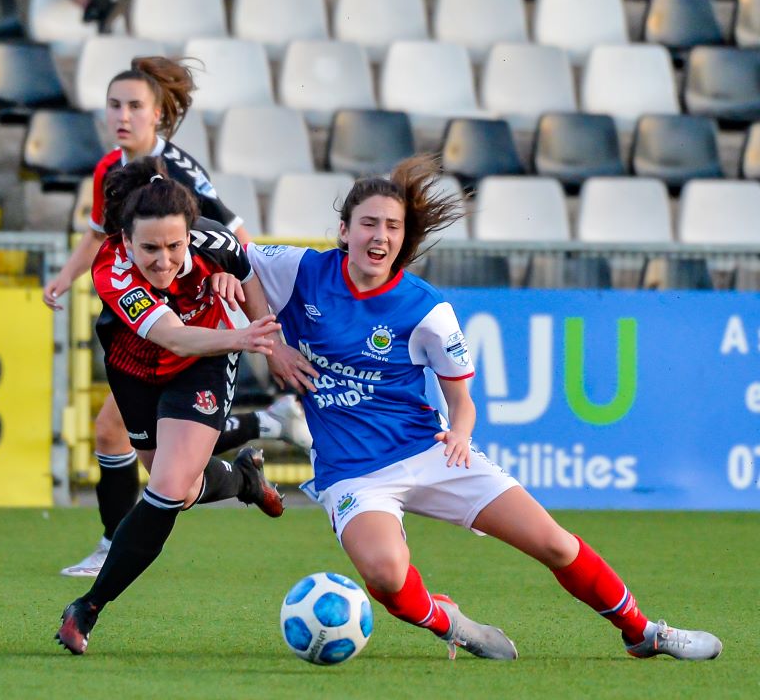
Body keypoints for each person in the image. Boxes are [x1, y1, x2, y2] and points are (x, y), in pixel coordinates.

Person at [245, 155, 723, 661]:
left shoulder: (426, 309)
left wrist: (458, 433)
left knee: (556, 545)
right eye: (368, 224)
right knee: (387, 577)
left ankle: (642, 632)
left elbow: (462, 402)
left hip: (431, 451)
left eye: (392, 226)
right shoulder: (301, 269)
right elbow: (238, 257)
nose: (379, 236)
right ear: (343, 231)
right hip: (353, 473)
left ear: (403, 238)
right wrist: (271, 343)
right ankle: (447, 620)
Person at [44, 55, 310, 578]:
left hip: (204, 314)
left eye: (135, 106)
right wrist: (65, 275)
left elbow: (230, 239)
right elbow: (101, 234)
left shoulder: (181, 172)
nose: (123, 116)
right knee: (150, 458)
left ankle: (111, 543)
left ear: (159, 115)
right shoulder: (108, 169)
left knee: (117, 435)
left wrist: (232, 289)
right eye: (114, 104)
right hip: (150, 325)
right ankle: (262, 435)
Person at [55, 157, 285, 655]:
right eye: (150, 249)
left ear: (190, 234)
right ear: (126, 241)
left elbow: (246, 274)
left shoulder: (213, 240)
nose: (163, 260)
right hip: (137, 371)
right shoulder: (111, 269)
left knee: (164, 489)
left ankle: (88, 608)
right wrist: (248, 334)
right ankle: (243, 477)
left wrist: (261, 334)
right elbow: (172, 336)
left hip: (207, 359)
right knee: (175, 491)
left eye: (175, 246)